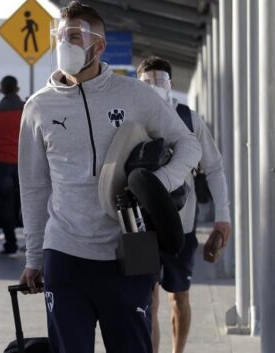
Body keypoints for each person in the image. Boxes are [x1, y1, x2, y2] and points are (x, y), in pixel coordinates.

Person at [17, 2, 202, 352]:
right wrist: (34, 257)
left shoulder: (136, 95)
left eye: (73, 37)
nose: (63, 45)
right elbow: (33, 185)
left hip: (128, 253)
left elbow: (188, 144)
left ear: (98, 45)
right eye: (59, 36)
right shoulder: (39, 107)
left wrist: (155, 186)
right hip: (65, 255)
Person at [137, 56, 232, 353]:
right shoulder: (130, 118)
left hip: (182, 224)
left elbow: (214, 168)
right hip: (140, 227)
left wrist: (223, 217)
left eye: (160, 81)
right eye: (147, 83)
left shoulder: (189, 119)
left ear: (171, 85)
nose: (154, 87)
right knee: (147, 302)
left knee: (179, 297)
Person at [0, 76, 25, 255]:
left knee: (5, 204)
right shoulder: (28, 107)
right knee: (29, 204)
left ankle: (10, 244)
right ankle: (32, 244)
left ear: (1, 90)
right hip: (25, 162)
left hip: (1, 163)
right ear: (17, 89)